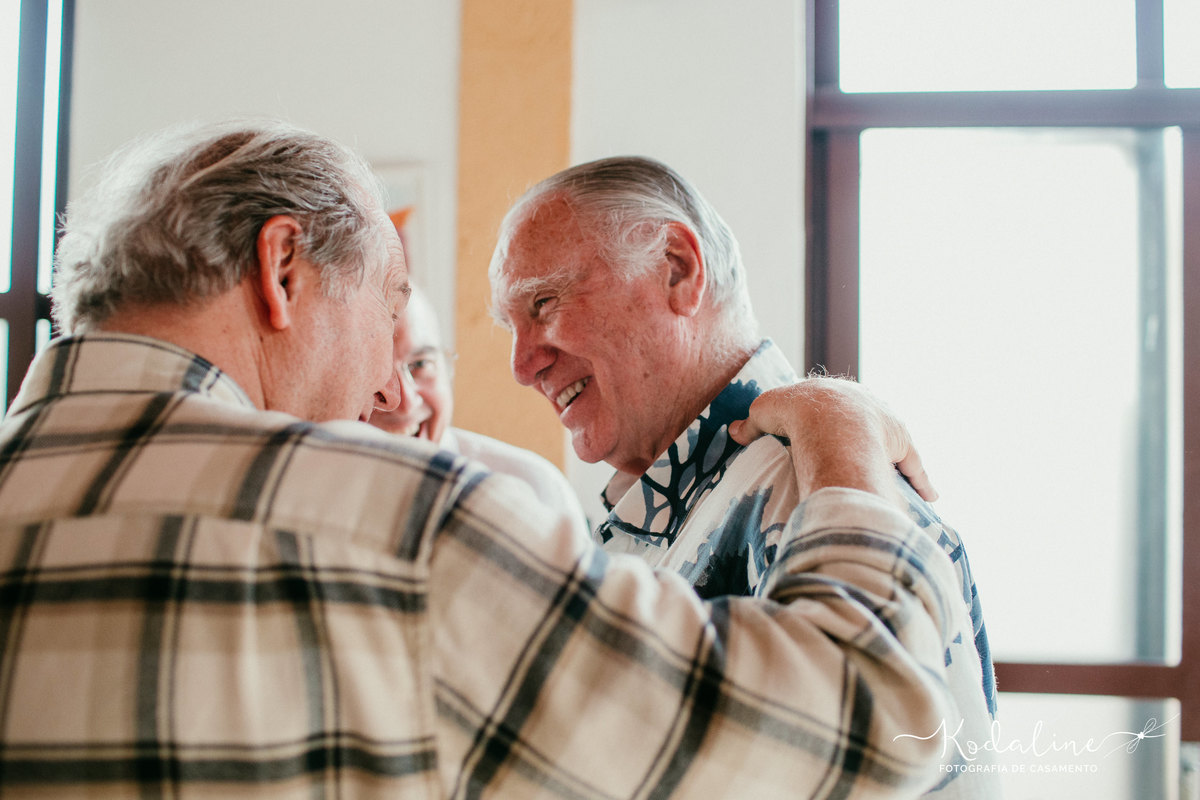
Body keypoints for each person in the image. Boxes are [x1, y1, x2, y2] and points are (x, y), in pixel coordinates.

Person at [0, 119, 967, 798]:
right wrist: (848, 429)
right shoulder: (397, 529)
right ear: (281, 269)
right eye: (387, 306)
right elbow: (875, 717)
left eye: (541, 305)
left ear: (680, 270)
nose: (389, 386)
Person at [489, 156, 999, 798]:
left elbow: (871, 754)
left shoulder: (806, 486)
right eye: (511, 327)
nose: (522, 364)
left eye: (544, 303)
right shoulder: (654, 515)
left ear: (677, 268)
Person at [368, 272, 588, 531]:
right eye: (374, 372)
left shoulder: (534, 490)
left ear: (447, 366)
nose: (404, 401)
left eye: (420, 365)